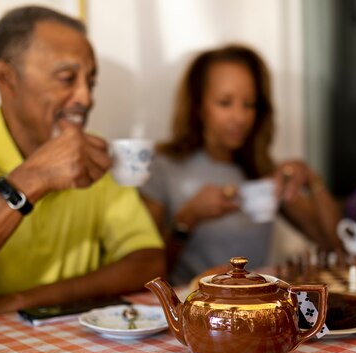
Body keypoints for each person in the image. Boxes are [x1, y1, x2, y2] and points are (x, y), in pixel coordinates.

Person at [0, 6, 165, 325]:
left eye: (90, 82)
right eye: (67, 78)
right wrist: (28, 181)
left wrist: (18, 302)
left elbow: (148, 261)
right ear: (6, 78)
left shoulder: (93, 156)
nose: (86, 98)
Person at [139, 44, 343, 285]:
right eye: (225, 103)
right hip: (195, 310)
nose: (240, 117)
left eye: (249, 105)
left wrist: (312, 178)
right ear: (198, 106)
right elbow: (145, 272)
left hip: (255, 309)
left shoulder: (262, 172)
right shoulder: (163, 168)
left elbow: (334, 244)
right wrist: (188, 218)